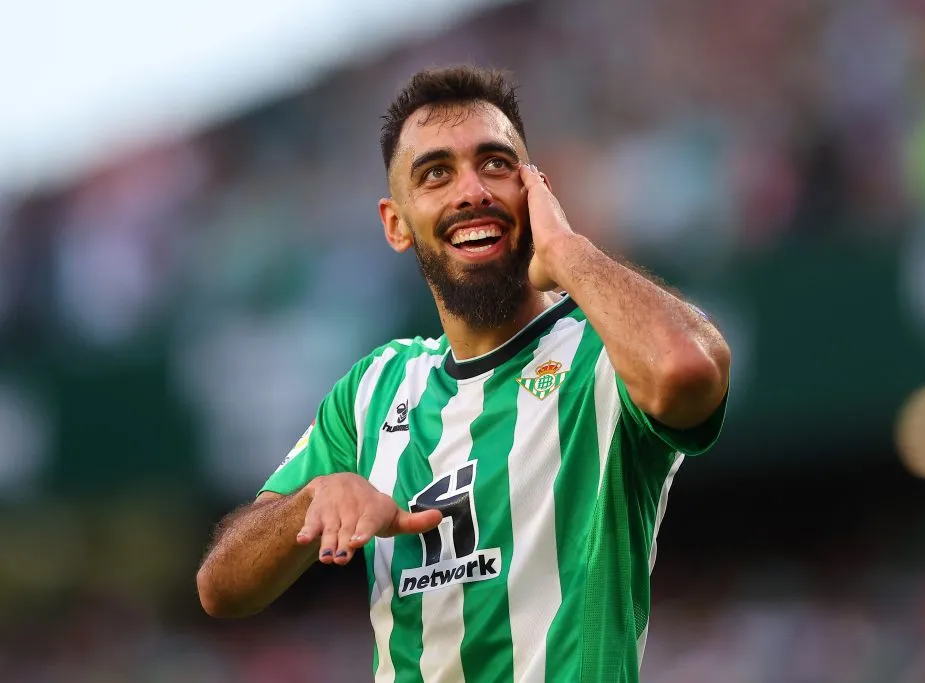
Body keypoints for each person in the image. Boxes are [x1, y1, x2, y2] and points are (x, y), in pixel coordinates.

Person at [197, 65, 731, 682]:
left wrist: (566, 250)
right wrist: (311, 501)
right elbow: (222, 586)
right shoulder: (375, 389)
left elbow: (689, 370)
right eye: (435, 174)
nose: (471, 191)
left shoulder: (602, 357)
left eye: (496, 164)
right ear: (396, 223)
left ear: (537, 192)